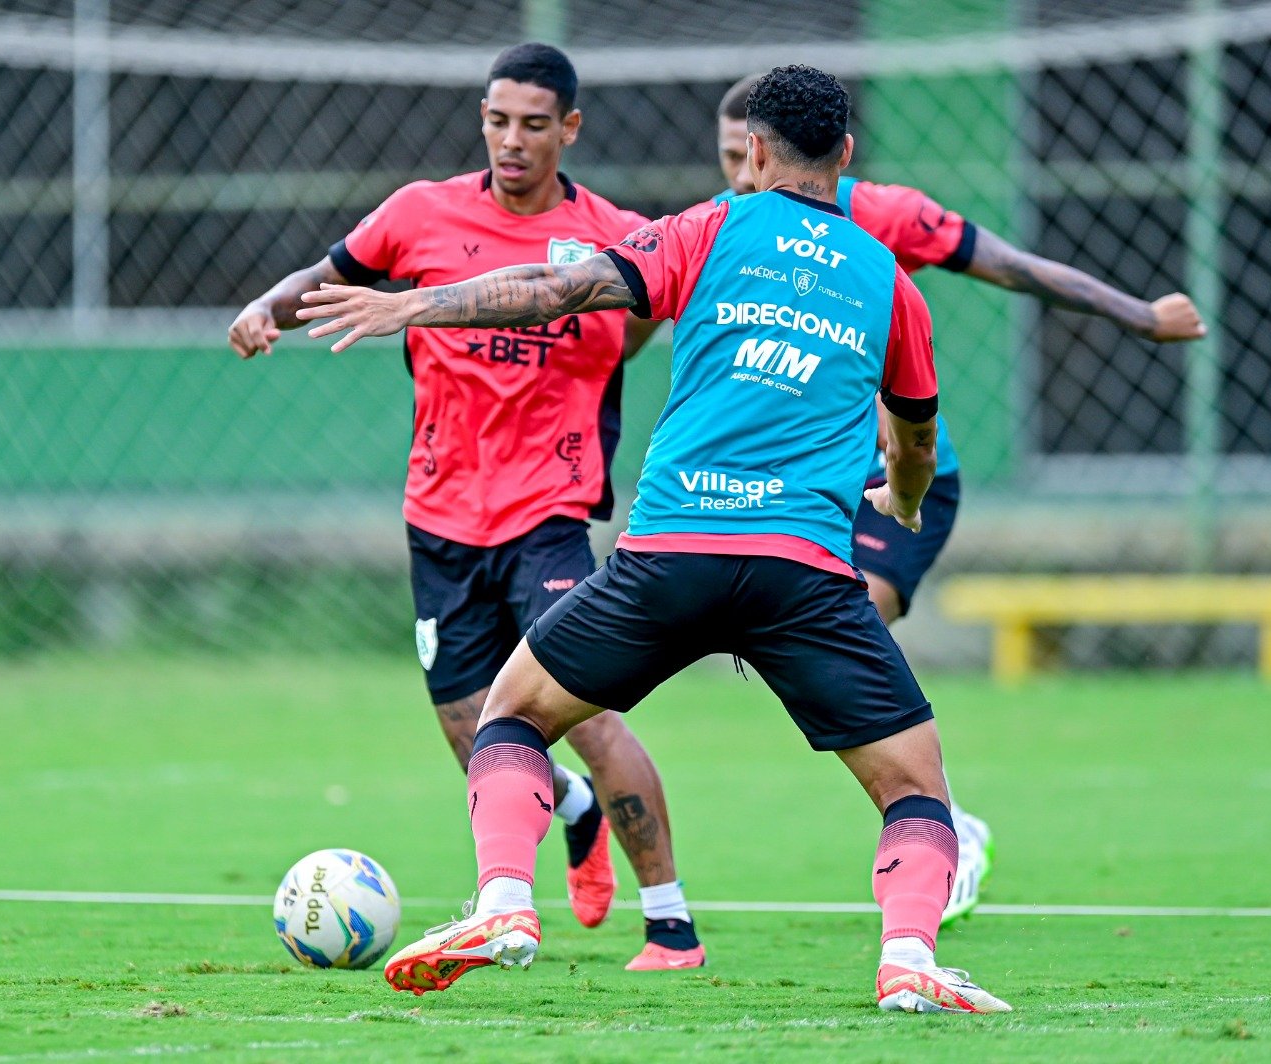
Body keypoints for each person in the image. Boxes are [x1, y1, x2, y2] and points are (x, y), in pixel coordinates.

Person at [301, 64, 1010, 1013]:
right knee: (916, 790)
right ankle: (911, 959)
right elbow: (915, 436)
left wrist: (417, 304)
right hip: (803, 572)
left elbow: (561, 290)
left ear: (752, 151)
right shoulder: (888, 281)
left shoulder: (707, 228)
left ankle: (507, 903)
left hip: (669, 556)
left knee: (509, 718)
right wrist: (909, 503)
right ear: (843, 158)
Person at [227, 43, 702, 971]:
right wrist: (262, 308)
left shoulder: (610, 232)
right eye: (497, 120)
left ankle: (671, 923)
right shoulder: (419, 212)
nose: (512, 141)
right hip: (439, 514)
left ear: (569, 129)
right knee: (469, 725)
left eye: (534, 124)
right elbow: (327, 274)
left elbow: (659, 307)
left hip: (552, 513)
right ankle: (568, 813)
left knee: (587, 709)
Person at [708, 75, 1210, 924]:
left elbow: (1011, 265)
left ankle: (937, 816)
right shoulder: (722, 232)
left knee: (843, 618)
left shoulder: (884, 215)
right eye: (725, 159)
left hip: (901, 481)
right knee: (786, 635)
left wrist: (1139, 316)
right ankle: (934, 816)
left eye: (743, 156)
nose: (739, 174)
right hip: (785, 496)